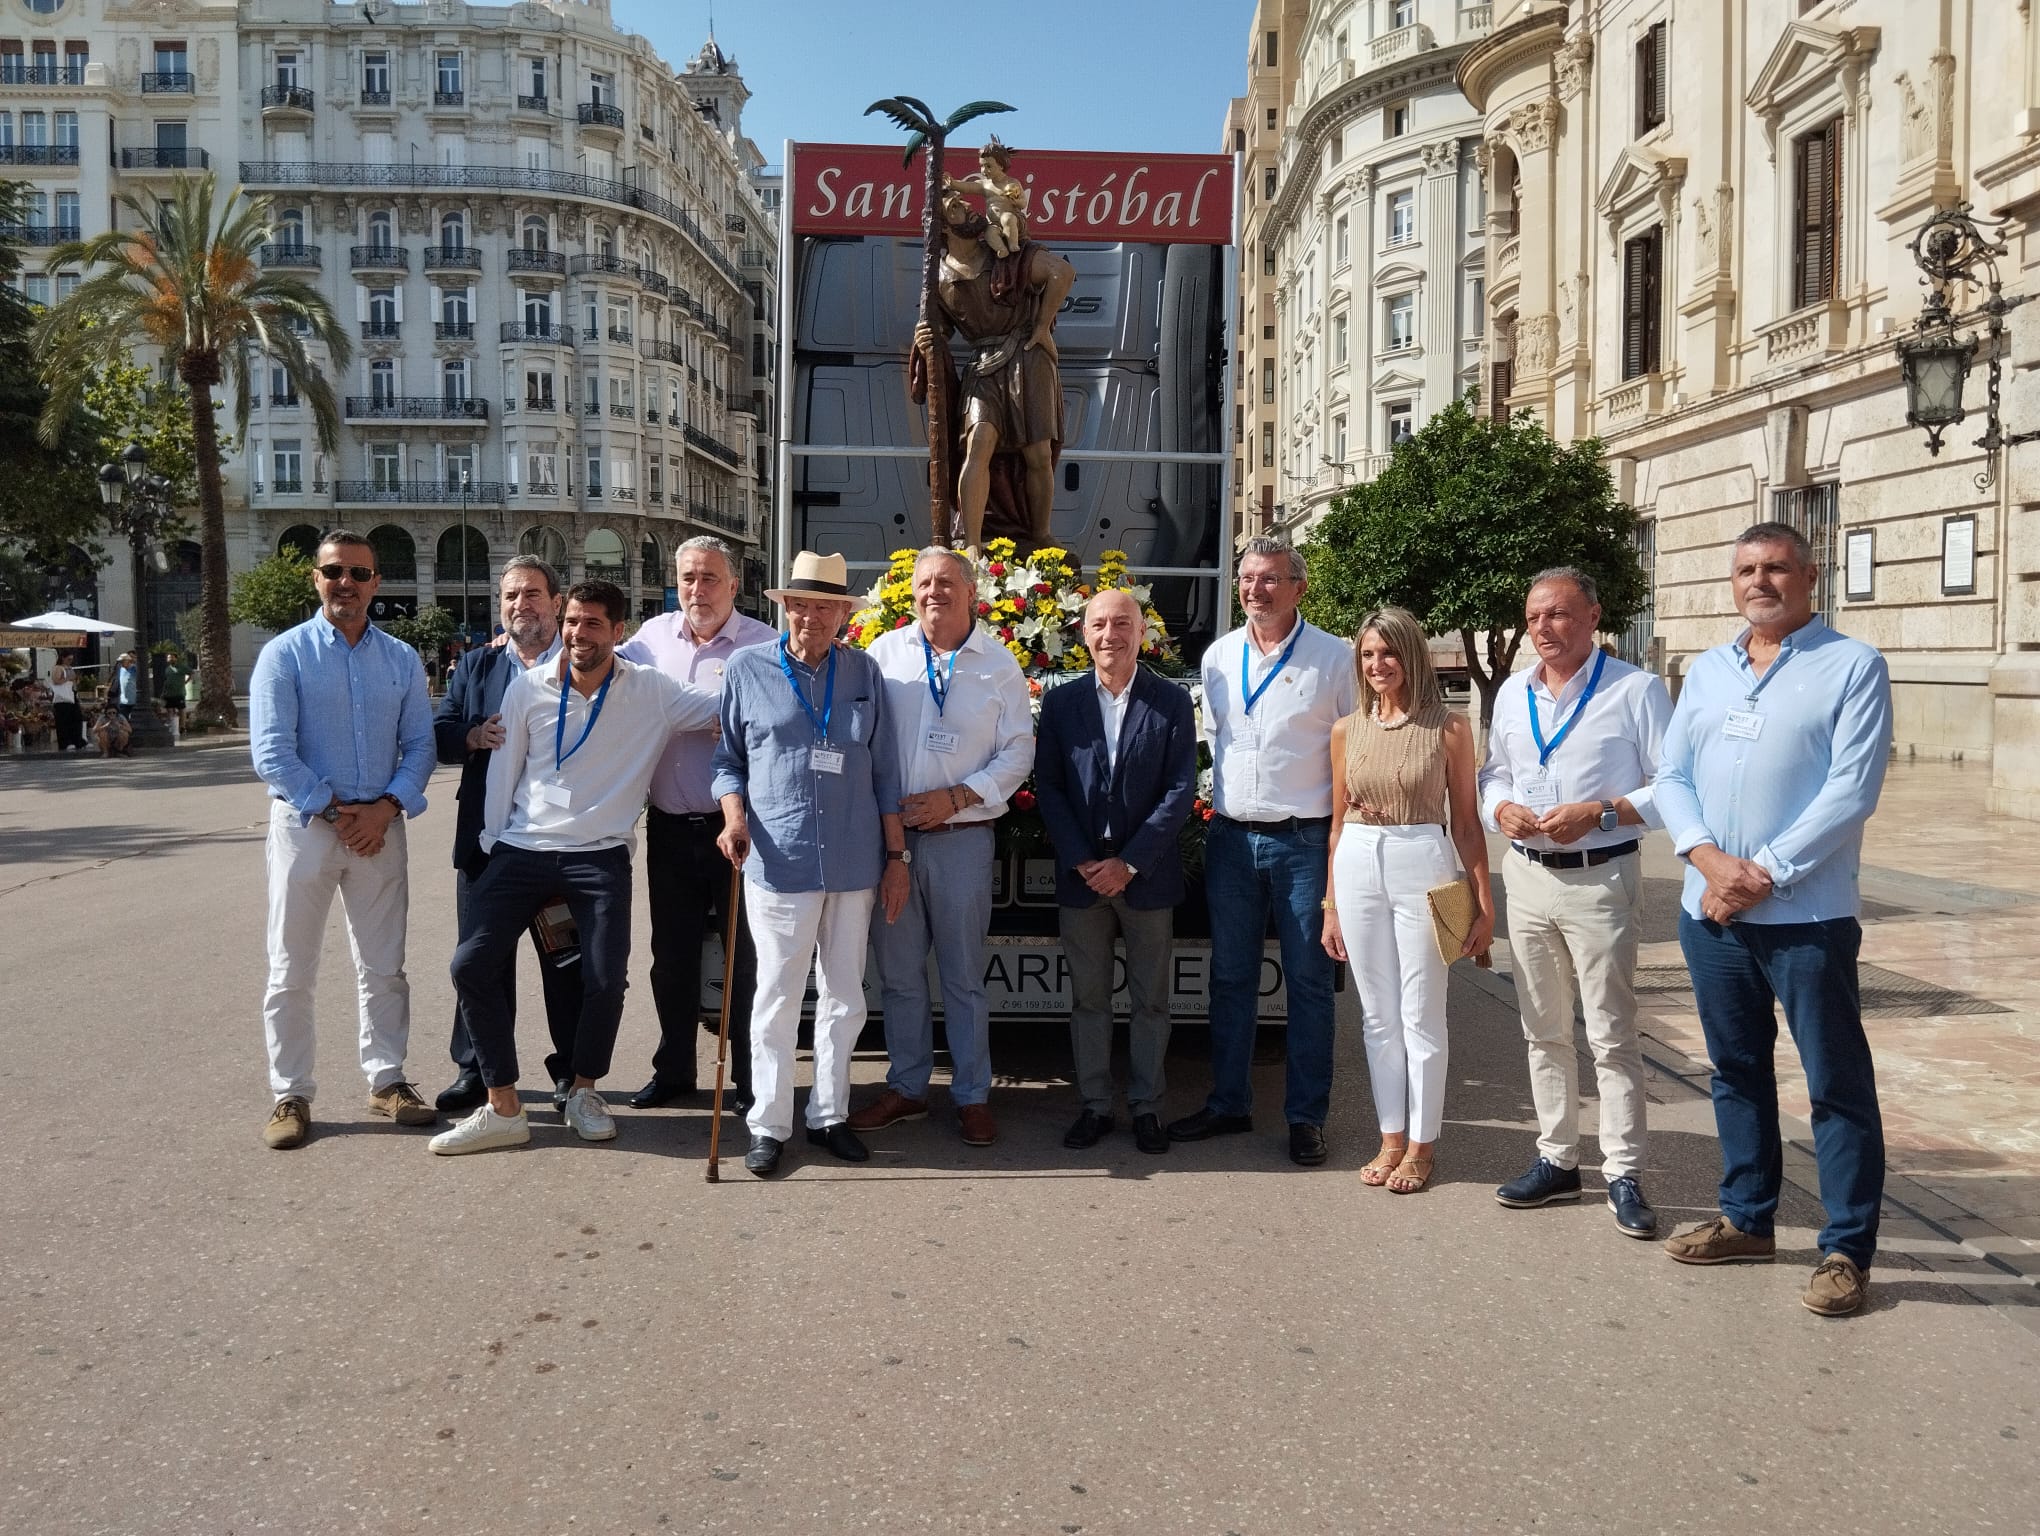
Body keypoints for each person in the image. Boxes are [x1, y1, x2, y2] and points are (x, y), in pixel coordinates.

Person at [1654, 523, 1893, 1317]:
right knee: (1737, 1070)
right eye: (1748, 569)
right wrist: (1707, 861)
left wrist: (1764, 874)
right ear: (1733, 582)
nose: (1761, 581)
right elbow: (1672, 776)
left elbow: (1850, 791)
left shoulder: (1852, 667)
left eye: (1777, 568)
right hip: (1709, 912)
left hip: (1807, 918)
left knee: (1835, 1084)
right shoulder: (1711, 670)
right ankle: (1749, 1218)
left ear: (1810, 576)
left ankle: (1845, 1249)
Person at [432, 581, 720, 1155]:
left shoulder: (653, 691)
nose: (577, 634)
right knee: (471, 964)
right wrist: (493, 843)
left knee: (605, 979)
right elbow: (503, 772)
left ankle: (585, 1090)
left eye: (592, 624)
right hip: (521, 852)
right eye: (570, 623)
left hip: (599, 859)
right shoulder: (528, 689)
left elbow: (728, 709)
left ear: (619, 633)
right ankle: (503, 1105)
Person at [1476, 568, 1672, 1237]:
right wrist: (1499, 807)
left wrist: (1605, 813)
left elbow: (1674, 786)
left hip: (1601, 877)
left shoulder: (1636, 691)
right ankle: (1558, 1160)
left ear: (1593, 616)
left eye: (1558, 614)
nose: (1543, 628)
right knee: (1543, 1029)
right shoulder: (1512, 693)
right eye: (1534, 617)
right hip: (1527, 876)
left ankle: (1623, 1171)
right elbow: (1494, 771)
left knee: (1612, 1033)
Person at [712, 551, 909, 1177]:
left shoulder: (863, 673)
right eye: (802, 605)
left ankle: (829, 1115)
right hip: (781, 858)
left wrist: (897, 853)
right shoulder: (747, 670)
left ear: (842, 616)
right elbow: (727, 761)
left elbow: (885, 772)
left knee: (845, 996)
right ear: (785, 608)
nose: (813, 617)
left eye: (826, 606)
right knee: (774, 996)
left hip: (855, 863)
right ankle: (768, 1124)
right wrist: (733, 817)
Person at [1170, 536, 1357, 1166]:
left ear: (1298, 587)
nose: (1257, 590)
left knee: (1307, 983)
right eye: (1248, 579)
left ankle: (1306, 1117)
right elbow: (1217, 741)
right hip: (1230, 838)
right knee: (1229, 977)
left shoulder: (1336, 658)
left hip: (1305, 840)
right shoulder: (1219, 656)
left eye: (1271, 579)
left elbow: (1356, 750)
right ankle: (1229, 1102)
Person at [249, 530, 437, 1150]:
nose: (346, 584)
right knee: (290, 967)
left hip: (379, 832)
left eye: (359, 573)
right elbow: (272, 752)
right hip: (306, 830)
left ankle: (387, 1081)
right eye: (334, 573)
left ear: (376, 582)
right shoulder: (284, 655)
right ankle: (291, 1093)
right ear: (316, 579)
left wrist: (381, 810)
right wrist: (339, 812)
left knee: (385, 966)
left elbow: (421, 748)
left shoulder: (402, 659)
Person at [849, 546, 1035, 1148]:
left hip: (962, 839)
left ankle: (972, 1095)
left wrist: (958, 797)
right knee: (899, 977)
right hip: (893, 842)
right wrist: (893, 840)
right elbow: (866, 745)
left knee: (962, 978)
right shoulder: (884, 655)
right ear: (911, 593)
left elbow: (1019, 753)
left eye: (947, 582)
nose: (935, 592)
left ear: (971, 590)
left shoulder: (999, 663)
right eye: (925, 583)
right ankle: (906, 1087)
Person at [1322, 607, 1493, 1193]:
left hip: (1423, 856)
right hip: (1358, 864)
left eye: (1388, 653)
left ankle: (1423, 1145)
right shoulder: (1346, 729)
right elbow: (1338, 823)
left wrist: (1482, 904)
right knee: (1376, 1014)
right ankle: (1390, 1136)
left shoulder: (1448, 728)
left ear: (1412, 656)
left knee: (1422, 1012)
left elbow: (1467, 824)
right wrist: (1331, 905)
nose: (1378, 665)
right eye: (1368, 655)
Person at [1034, 589, 1198, 1155]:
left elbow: (1181, 790)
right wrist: (1084, 859)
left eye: (1122, 623)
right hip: (1082, 878)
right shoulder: (1061, 704)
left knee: (1151, 1000)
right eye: (1100, 624)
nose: (1111, 634)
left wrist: (1128, 863)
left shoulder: (1171, 701)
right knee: (1089, 1000)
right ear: (1084, 633)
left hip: (1145, 877)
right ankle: (1096, 1106)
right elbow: (1049, 786)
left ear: (1141, 632)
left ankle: (1148, 1107)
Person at [617, 535, 777, 1113]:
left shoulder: (764, 645)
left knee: (745, 957)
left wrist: (738, 726)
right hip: (668, 827)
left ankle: (748, 1079)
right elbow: (604, 679)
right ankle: (675, 1068)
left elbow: (779, 725)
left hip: (739, 830)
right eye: (687, 578)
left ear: (734, 585)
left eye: (709, 578)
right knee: (673, 957)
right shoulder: (650, 641)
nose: (696, 589)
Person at [430, 556, 585, 1115]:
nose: (522, 605)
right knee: (480, 960)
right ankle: (476, 1069)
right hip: (486, 847)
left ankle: (570, 1069)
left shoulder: (582, 663)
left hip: (556, 847)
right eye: (512, 595)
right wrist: (472, 735)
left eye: (533, 595)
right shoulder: (477, 666)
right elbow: (441, 732)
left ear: (557, 601)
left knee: (565, 958)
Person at [911, 191, 1076, 551]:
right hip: (983, 366)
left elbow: (1062, 272)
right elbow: (936, 336)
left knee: (1038, 454)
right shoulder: (937, 279)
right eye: (955, 206)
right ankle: (971, 543)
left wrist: (1042, 327)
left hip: (1028, 356)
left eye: (963, 202)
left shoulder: (1010, 258)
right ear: (942, 227)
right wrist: (927, 343)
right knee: (978, 443)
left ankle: (1040, 535)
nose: (968, 207)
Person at [49, 654, 84, 751]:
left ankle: (77, 740)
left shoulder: (69, 668)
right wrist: (68, 678)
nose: (70, 661)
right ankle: (65, 742)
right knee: (63, 721)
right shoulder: (58, 668)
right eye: (68, 659)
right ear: (63, 658)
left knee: (76, 719)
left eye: (71, 660)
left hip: (71, 696)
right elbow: (56, 681)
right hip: (62, 699)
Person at [159, 649, 188, 735]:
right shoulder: (167, 669)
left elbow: (191, 673)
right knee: (170, 710)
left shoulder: (181, 667)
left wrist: (185, 682)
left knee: (181, 710)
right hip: (169, 694)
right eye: (168, 657)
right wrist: (163, 692)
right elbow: (166, 681)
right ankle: (173, 727)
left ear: (176, 658)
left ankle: (182, 727)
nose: (170, 659)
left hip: (179, 693)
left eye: (171, 657)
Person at [113, 652, 138, 719]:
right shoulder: (120, 670)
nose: (121, 663)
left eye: (122, 661)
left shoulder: (134, 668)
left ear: (127, 661)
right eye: (120, 662)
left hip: (133, 700)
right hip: (123, 700)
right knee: (123, 718)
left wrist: (134, 659)